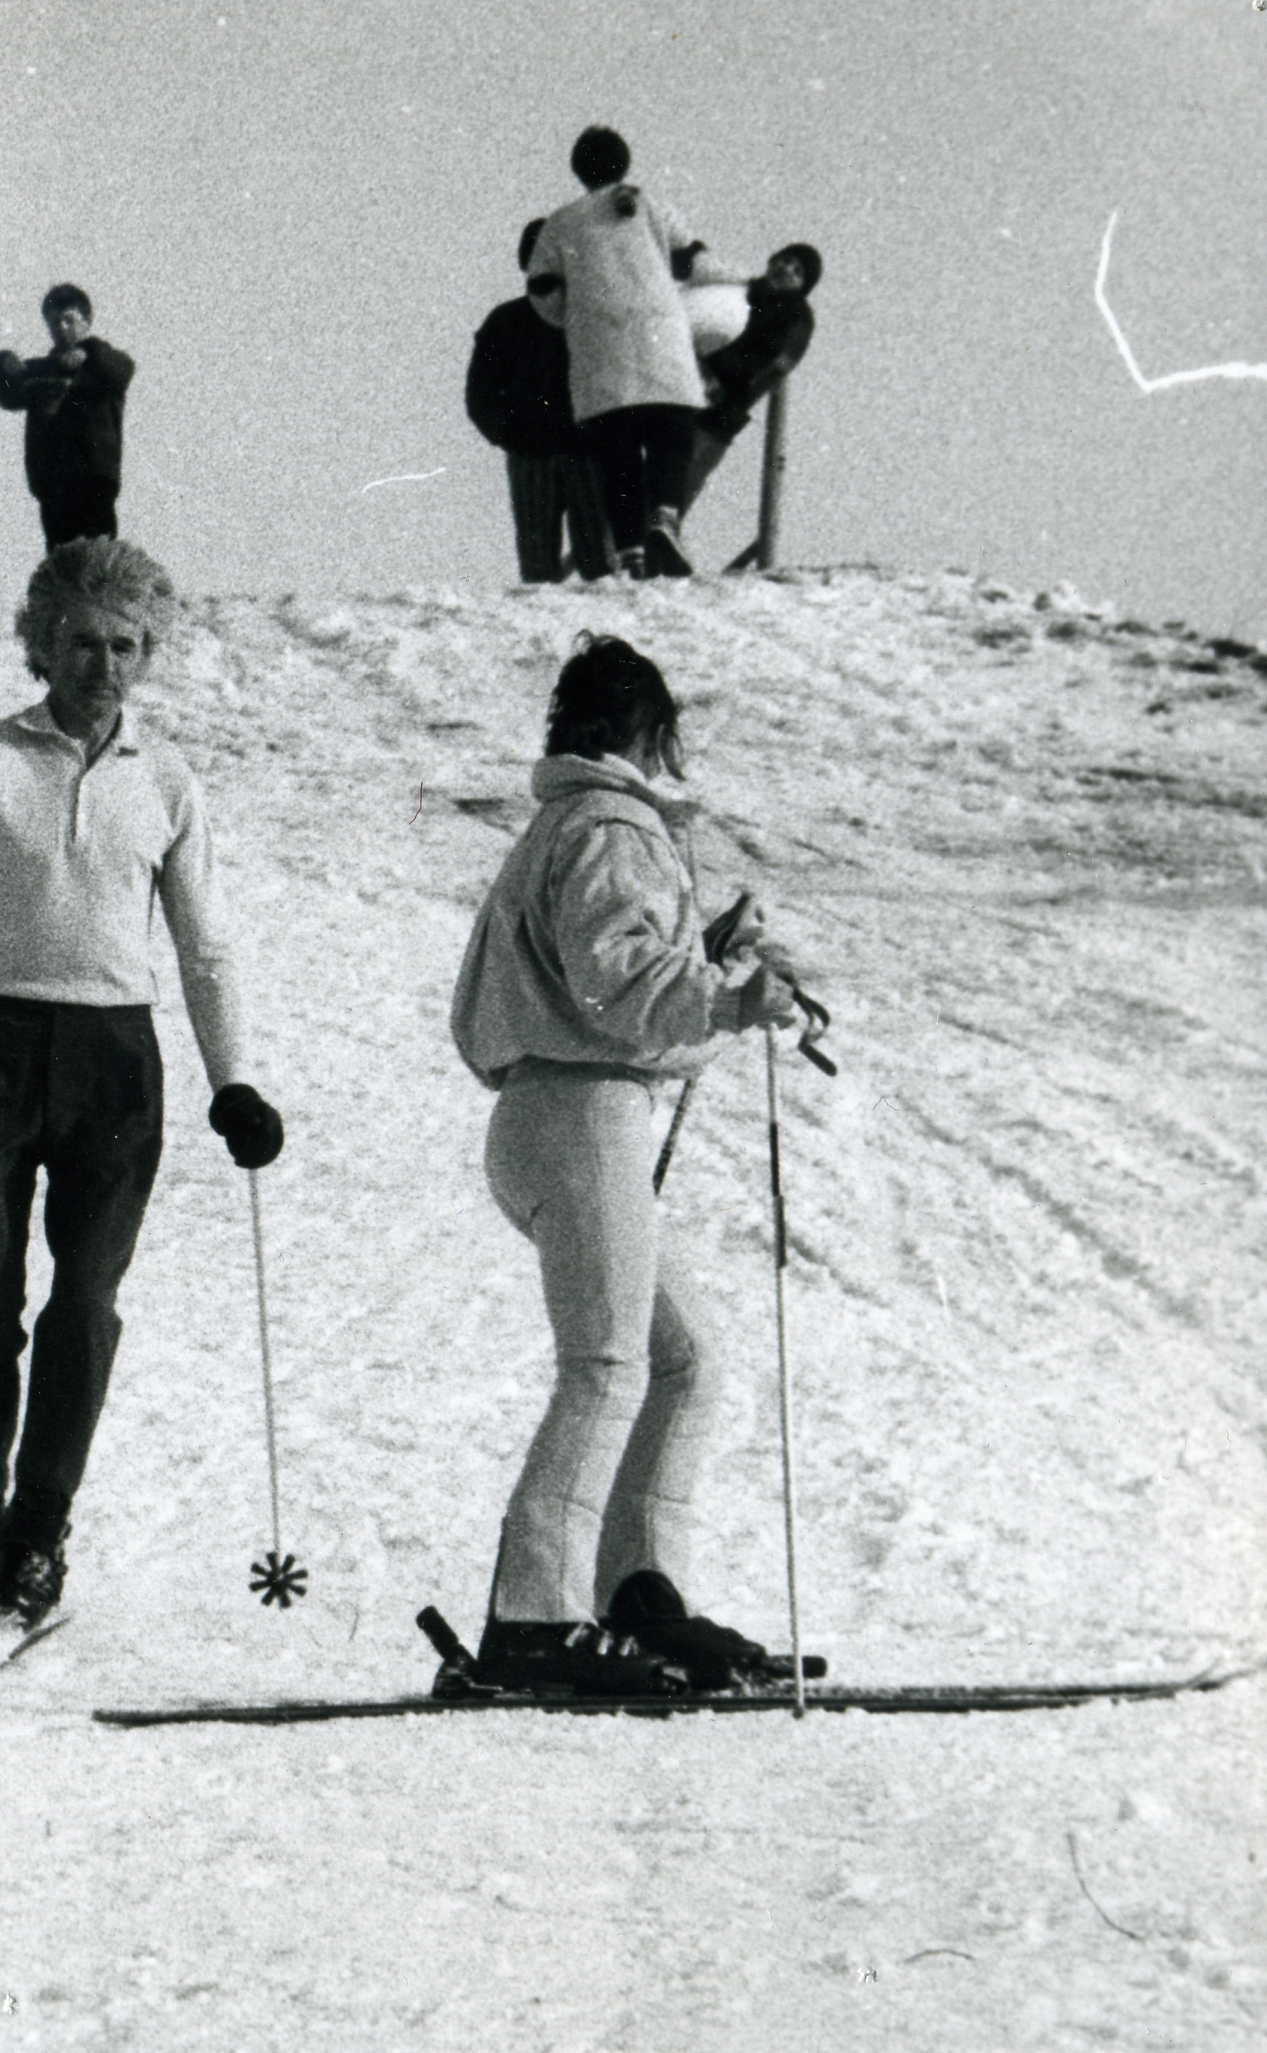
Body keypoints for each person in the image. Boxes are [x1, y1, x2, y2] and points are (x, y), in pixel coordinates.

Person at [0, 537, 285, 1635]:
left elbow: (206, 946)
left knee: (82, 1303)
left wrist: (237, 1082)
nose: (103, 666)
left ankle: (38, 1535)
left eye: (126, 646)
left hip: (114, 1070)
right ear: (42, 644)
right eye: (81, 642)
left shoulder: (166, 783)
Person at [448, 633, 805, 1695]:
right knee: (605, 1365)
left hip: (560, 1108)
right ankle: (533, 1618)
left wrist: (704, 949)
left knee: (685, 1357)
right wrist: (732, 998)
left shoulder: (577, 822)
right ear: (651, 734)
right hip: (578, 1106)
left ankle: (635, 1593)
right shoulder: (610, 825)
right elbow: (614, 980)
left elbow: (610, 959)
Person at [524, 127, 745, 578]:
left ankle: (630, 553)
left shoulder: (560, 222)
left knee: (617, 455)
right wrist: (747, 281)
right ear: (624, 162)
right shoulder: (653, 208)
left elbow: (542, 288)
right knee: (670, 439)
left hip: (600, 352)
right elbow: (694, 263)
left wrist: (572, 315)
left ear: (578, 170)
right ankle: (664, 518)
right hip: (660, 342)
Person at [465, 219, 612, 582]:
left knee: (595, 569)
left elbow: (480, 396)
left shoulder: (592, 315)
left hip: (582, 453)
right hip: (552, 454)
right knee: (556, 571)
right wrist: (512, 437)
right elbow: (480, 395)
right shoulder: (507, 321)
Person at [679, 244, 822, 520]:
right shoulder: (741, 288)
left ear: (803, 286)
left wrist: (719, 381)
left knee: (678, 485)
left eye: (798, 271)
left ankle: (650, 554)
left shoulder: (796, 316)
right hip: (681, 389)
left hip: (718, 411)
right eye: (786, 260)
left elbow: (775, 365)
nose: (787, 270)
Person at [0, 286, 136, 552]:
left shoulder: (106, 363)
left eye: (69, 319)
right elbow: (8, 393)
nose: (61, 327)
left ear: (87, 321)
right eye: (54, 321)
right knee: (60, 557)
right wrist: (3, 362)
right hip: (53, 480)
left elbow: (123, 369)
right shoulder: (43, 369)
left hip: (94, 478)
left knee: (99, 558)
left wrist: (90, 354)